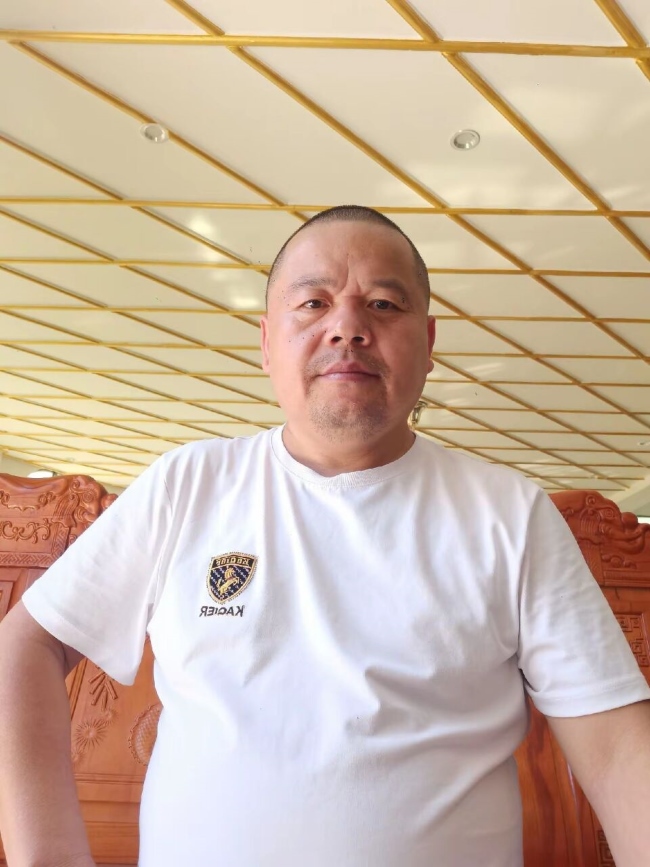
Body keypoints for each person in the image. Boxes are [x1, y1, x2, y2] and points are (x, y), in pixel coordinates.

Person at [0, 205, 649, 867]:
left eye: (383, 304)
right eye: (313, 303)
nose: (347, 326)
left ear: (428, 343)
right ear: (266, 342)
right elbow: (26, 643)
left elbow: (618, 752)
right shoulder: (189, 483)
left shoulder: (510, 513)